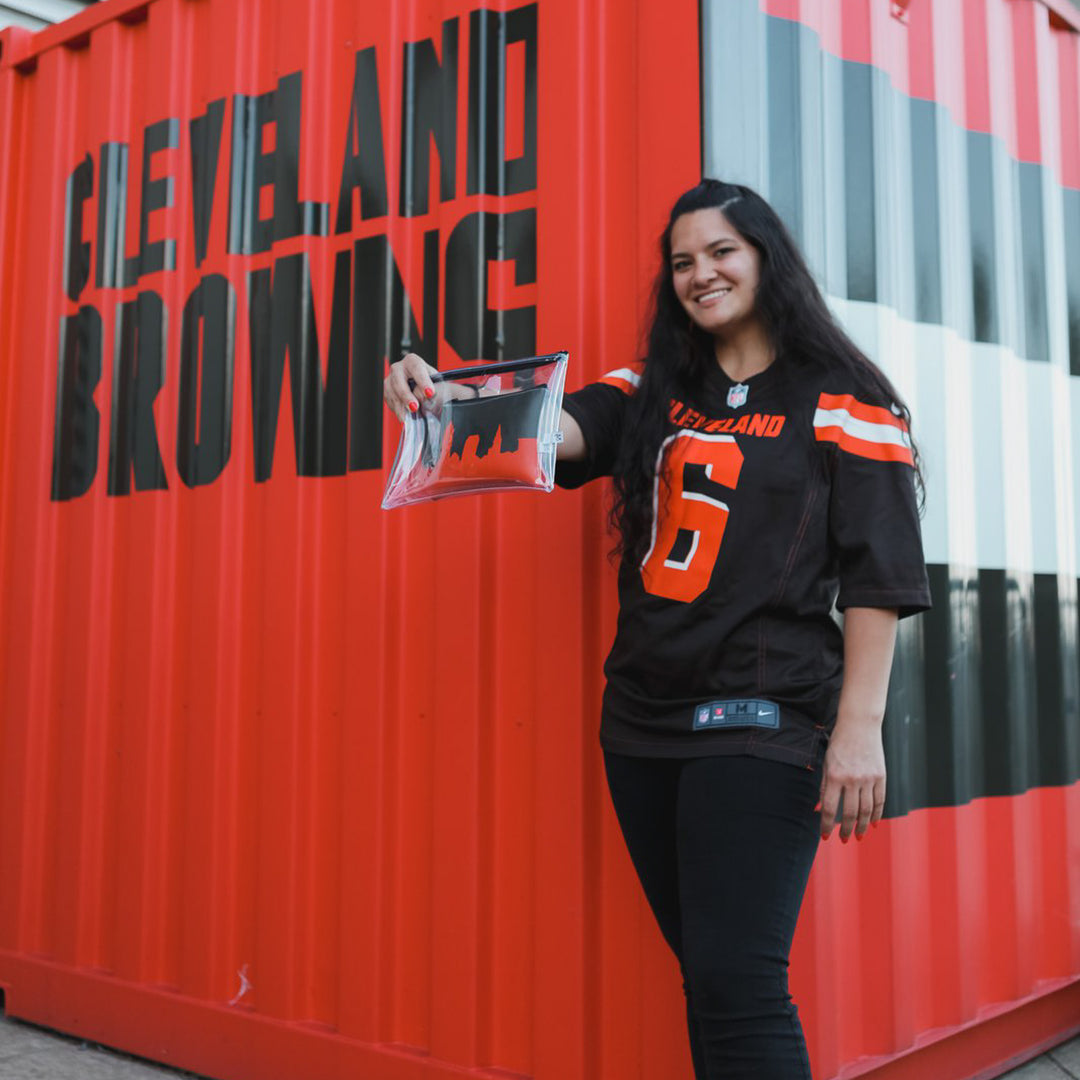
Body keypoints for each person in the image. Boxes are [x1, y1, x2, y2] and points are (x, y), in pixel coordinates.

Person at [384, 179, 931, 1080]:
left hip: (762, 718)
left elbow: (879, 578)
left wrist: (857, 732)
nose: (700, 274)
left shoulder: (841, 398)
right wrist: (434, 391)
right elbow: (553, 433)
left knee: (739, 980)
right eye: (682, 261)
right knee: (711, 981)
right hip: (640, 724)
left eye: (722, 252)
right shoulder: (652, 387)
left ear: (766, 258)